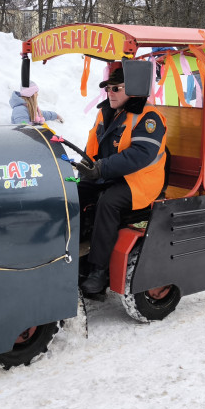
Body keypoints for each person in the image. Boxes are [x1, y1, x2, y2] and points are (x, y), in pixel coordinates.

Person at [75, 66, 167, 295]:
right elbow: (92, 148)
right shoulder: (105, 112)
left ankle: (98, 271)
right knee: (73, 192)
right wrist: (86, 170)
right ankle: (67, 251)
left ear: (133, 90)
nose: (110, 93)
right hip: (109, 174)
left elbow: (140, 155)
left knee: (108, 202)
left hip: (141, 180)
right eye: (107, 88)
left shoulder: (149, 117)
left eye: (116, 88)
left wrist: (101, 169)